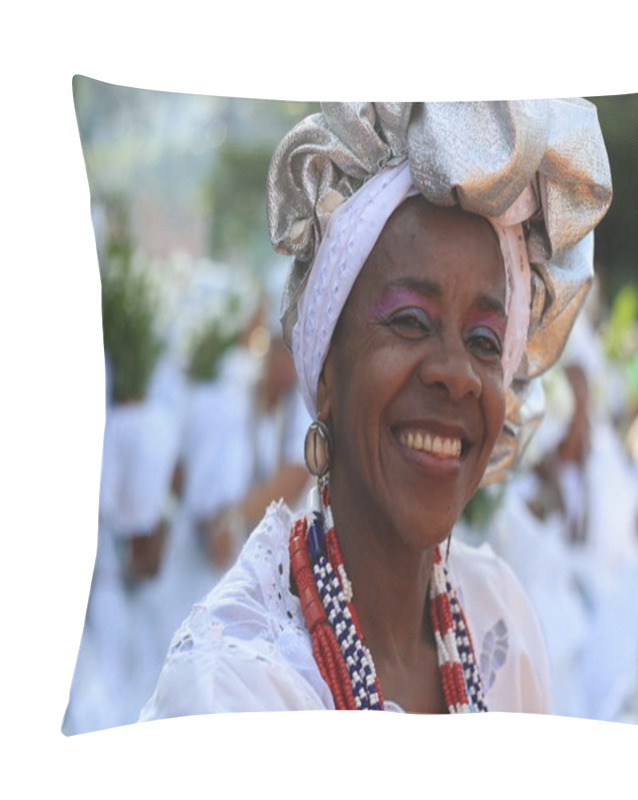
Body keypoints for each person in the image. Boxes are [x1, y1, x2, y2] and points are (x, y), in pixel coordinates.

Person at [140, 100, 611, 717]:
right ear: (326, 368)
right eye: (411, 321)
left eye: (484, 342)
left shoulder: (502, 621)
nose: (457, 376)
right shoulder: (232, 692)